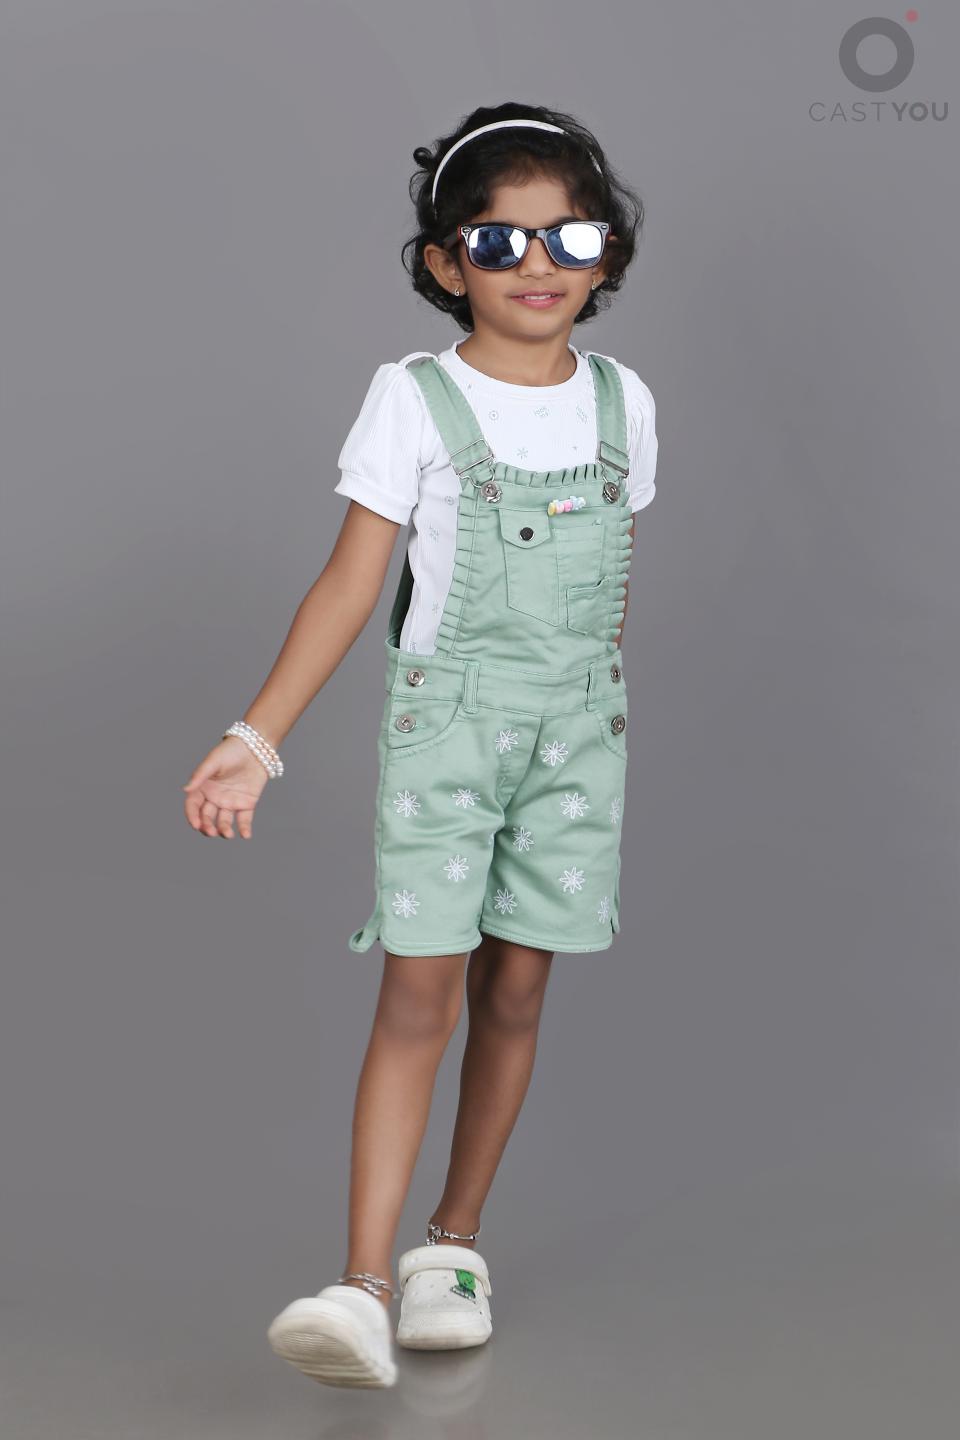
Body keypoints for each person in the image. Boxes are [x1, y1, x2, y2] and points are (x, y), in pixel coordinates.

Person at [182, 102, 658, 1389]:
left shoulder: (624, 403)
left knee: (518, 989)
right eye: (498, 242)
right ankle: (360, 1286)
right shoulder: (414, 398)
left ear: (607, 254)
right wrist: (257, 738)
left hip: (577, 741)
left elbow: (610, 585)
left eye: (568, 236)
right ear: (448, 262)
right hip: (450, 733)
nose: (537, 264)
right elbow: (352, 584)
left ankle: (454, 1249)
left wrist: (590, 709)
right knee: (420, 992)